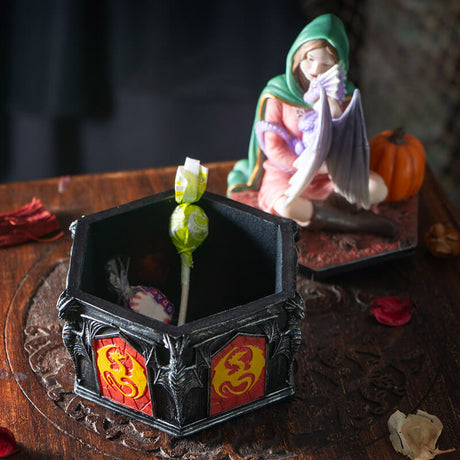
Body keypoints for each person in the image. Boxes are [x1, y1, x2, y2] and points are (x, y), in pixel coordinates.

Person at [227, 14, 396, 236]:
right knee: (285, 205)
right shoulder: (278, 94)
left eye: (326, 63)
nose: (316, 68)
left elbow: (348, 141)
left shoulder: (343, 97)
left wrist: (334, 115)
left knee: (378, 188)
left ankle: (327, 213)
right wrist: (302, 165)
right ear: (297, 57)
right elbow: (274, 146)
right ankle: (349, 221)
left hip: (330, 174)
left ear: (338, 66)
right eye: (309, 59)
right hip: (288, 173)